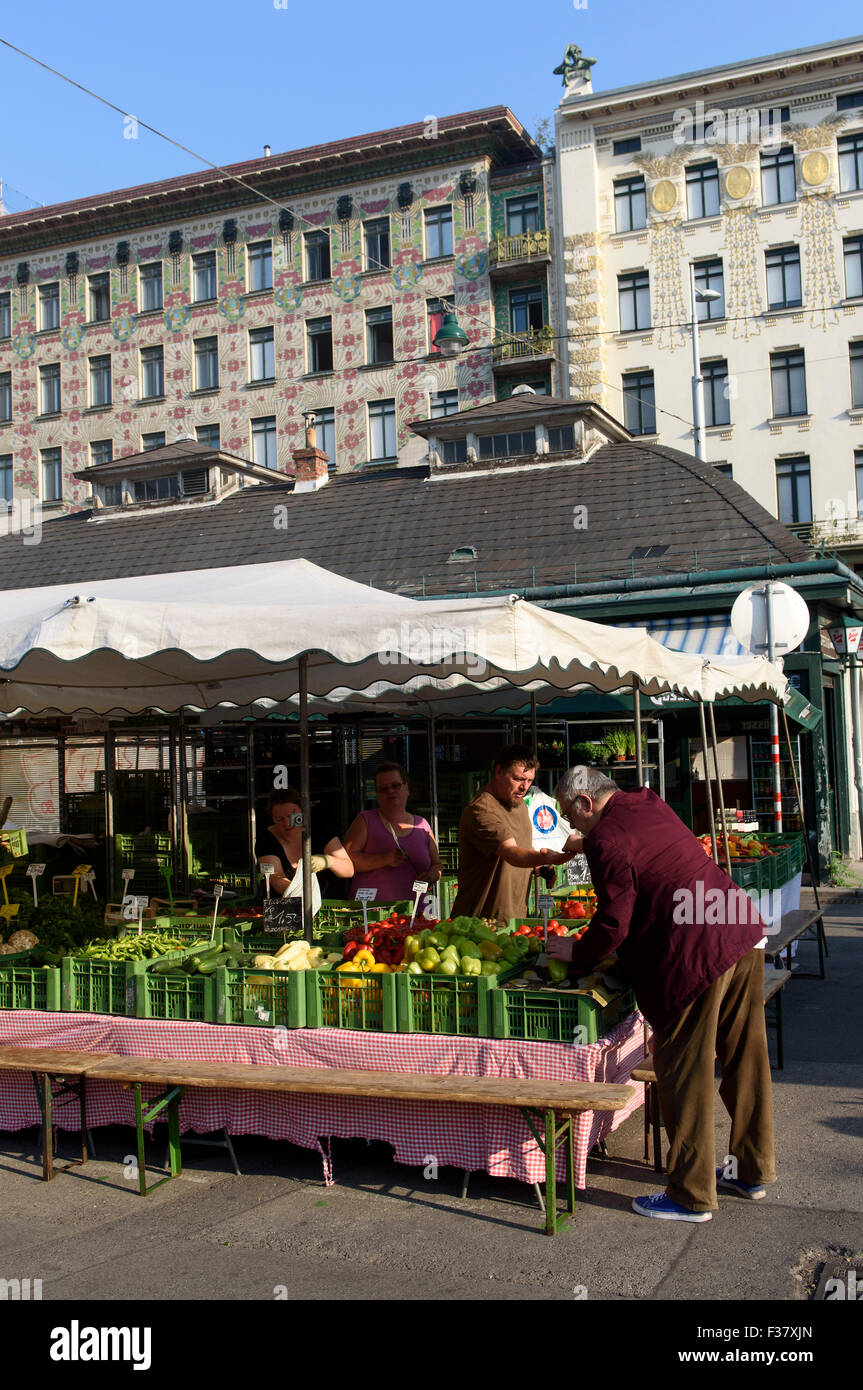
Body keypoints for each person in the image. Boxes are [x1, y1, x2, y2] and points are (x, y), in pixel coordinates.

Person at [547, 765, 775, 1224]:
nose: (571, 824)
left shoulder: (604, 839)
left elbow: (614, 923)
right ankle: (752, 1171)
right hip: (740, 932)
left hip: (695, 957)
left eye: (569, 814)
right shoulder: (648, 801)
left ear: (587, 802)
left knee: (683, 1070)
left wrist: (573, 953)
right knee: (745, 1058)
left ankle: (691, 1195)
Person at [451, 744, 576, 924]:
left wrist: (539, 867)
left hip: (516, 919)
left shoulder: (519, 804)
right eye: (518, 779)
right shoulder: (481, 810)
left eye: (529, 780)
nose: (524, 787)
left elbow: (523, 847)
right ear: (499, 771)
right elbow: (511, 853)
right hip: (481, 923)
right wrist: (550, 858)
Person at [343, 762, 442, 904]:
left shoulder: (423, 825)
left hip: (416, 915)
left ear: (406, 788)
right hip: (373, 916)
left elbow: (437, 864)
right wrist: (384, 859)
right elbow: (345, 861)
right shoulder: (365, 820)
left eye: (395, 785)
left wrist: (432, 876)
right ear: (377, 794)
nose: (390, 791)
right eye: (383, 789)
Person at [255, 787, 353, 907]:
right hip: (285, 909)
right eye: (280, 819)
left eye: (292, 816)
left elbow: (349, 870)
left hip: (325, 906)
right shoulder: (266, 839)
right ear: (272, 819)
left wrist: (328, 861)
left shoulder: (320, 830)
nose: (287, 823)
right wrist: (302, 893)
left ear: (303, 812)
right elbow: (276, 879)